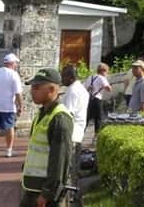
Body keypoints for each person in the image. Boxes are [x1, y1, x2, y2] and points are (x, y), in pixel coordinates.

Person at [20, 68, 73, 207]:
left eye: (36, 87)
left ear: (51, 89)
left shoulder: (60, 118)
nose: (32, 91)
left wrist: (48, 193)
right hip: (33, 187)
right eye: (32, 87)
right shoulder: (42, 113)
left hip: (46, 193)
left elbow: (60, 160)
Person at [61, 66, 88, 206]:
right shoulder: (81, 89)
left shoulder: (72, 91)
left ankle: (69, 198)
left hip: (71, 135)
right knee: (74, 169)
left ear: (71, 77)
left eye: (63, 76)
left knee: (68, 169)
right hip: (78, 134)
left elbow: (67, 115)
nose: (61, 79)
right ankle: (74, 196)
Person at [84, 64, 111, 138]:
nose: (107, 74)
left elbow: (85, 88)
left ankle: (81, 135)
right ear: (103, 71)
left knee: (87, 118)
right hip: (97, 100)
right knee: (98, 118)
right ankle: (96, 136)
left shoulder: (90, 77)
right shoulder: (102, 78)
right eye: (107, 72)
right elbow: (109, 89)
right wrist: (104, 83)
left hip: (89, 99)